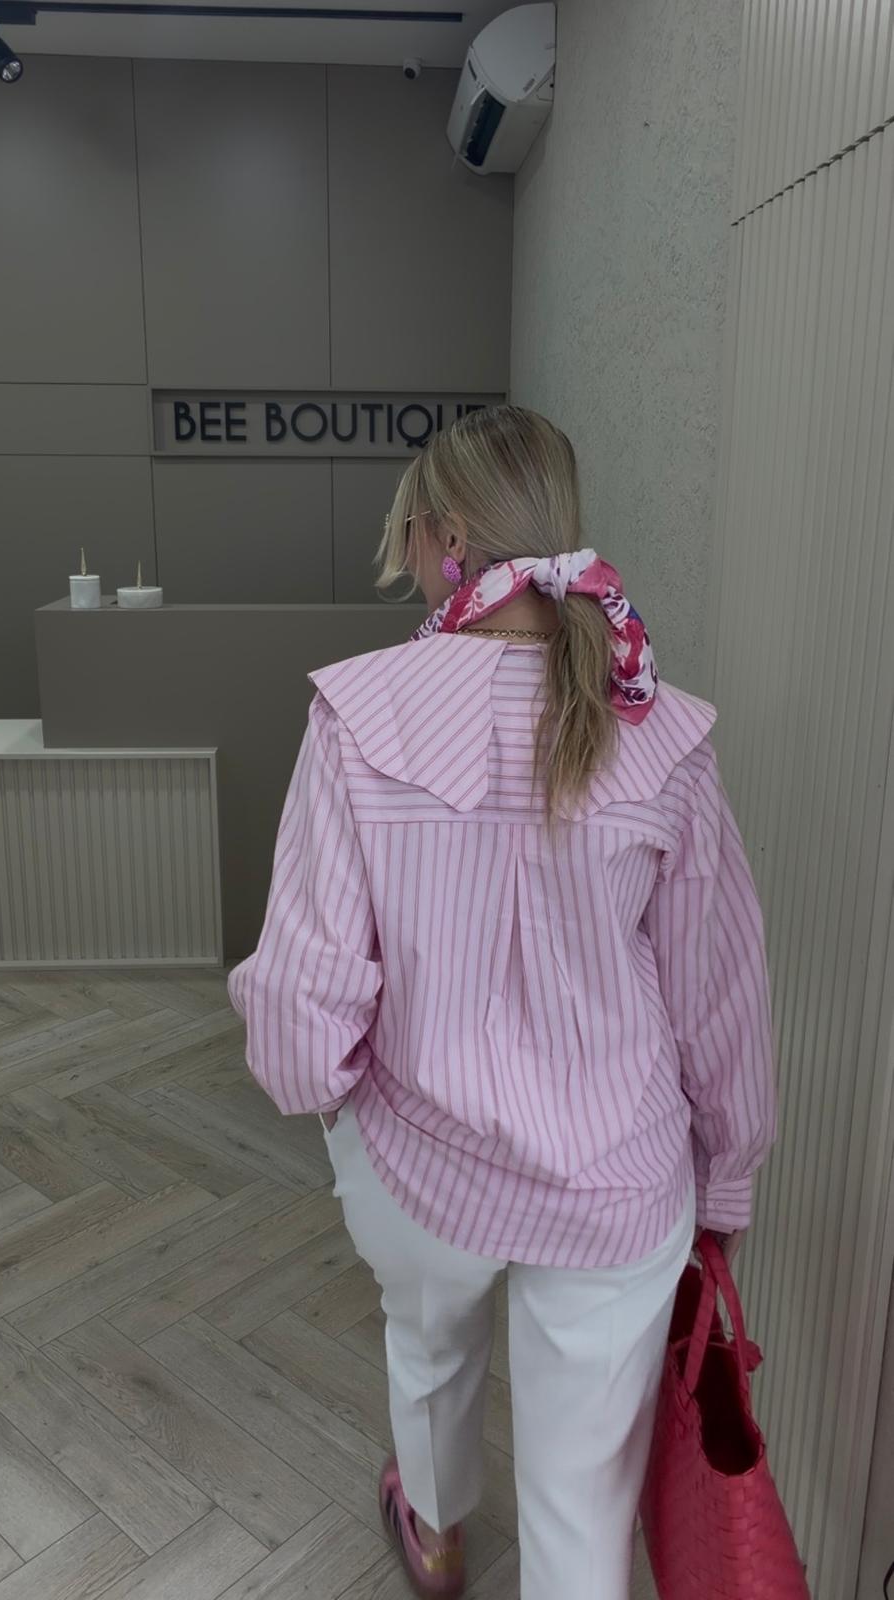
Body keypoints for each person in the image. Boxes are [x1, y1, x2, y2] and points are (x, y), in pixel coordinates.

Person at [228, 405, 775, 1600]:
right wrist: (725, 1175)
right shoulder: (661, 732)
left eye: (407, 531)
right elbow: (718, 990)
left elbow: (302, 1019)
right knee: (581, 1510)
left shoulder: (358, 715)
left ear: (442, 539)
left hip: (418, 1158)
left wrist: (332, 1098)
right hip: (617, 1177)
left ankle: (432, 1533)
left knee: (428, 1352)